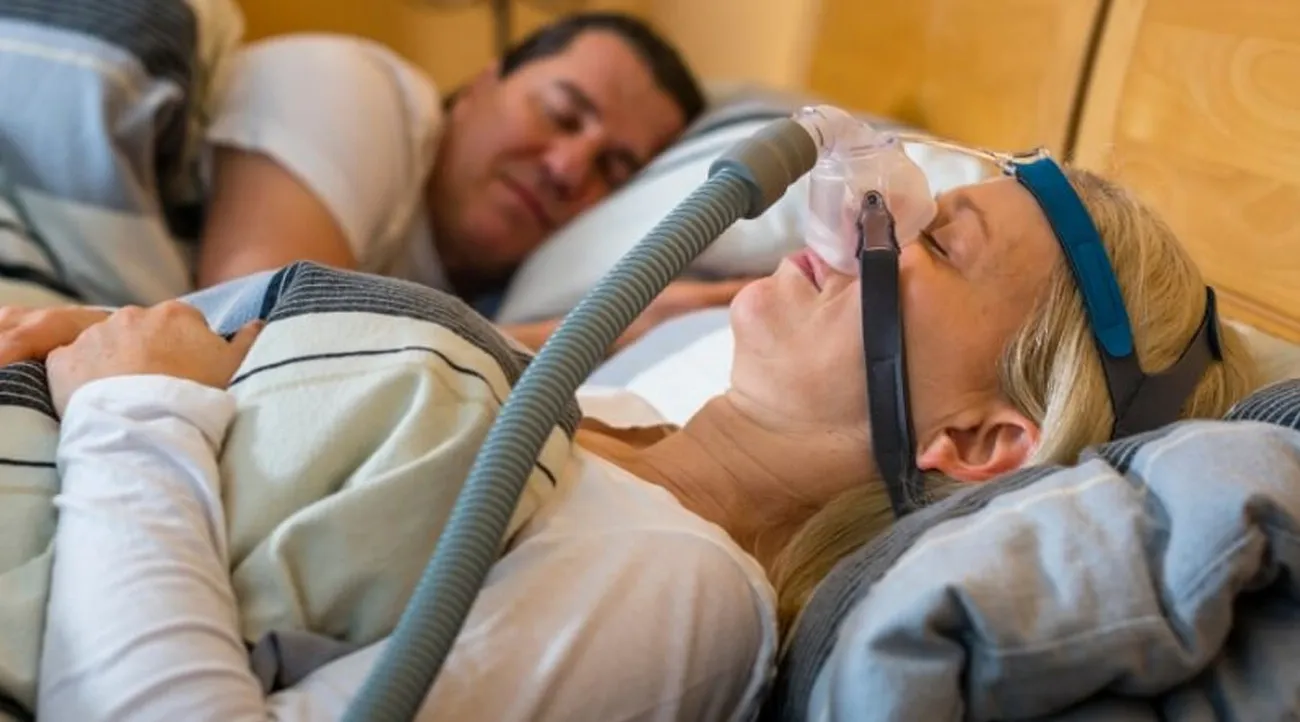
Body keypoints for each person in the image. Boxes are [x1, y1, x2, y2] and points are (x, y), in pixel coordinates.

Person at [18, 164, 1257, 720]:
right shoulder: (604, 415)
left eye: (934, 242)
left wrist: (138, 411)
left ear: (979, 437)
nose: (864, 219)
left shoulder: (683, 592)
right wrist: (144, 355)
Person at [197, 12, 748, 352]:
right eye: (560, 115)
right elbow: (254, 333)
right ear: (482, 83)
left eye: (614, 169)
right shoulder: (349, 89)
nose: (567, 169)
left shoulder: (502, 294)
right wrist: (593, 334)